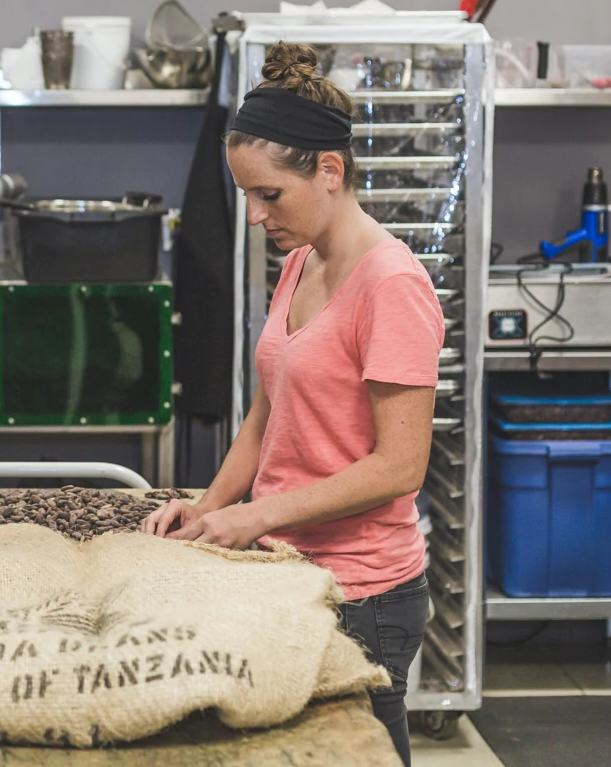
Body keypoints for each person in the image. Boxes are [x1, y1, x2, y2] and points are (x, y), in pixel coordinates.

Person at [143, 42, 442, 765]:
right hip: (288, 573)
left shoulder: (391, 284)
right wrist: (211, 509)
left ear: (330, 171)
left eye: (268, 195)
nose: (254, 216)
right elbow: (265, 415)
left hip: (363, 595)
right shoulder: (303, 261)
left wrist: (257, 515)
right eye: (247, 194)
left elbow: (399, 467)